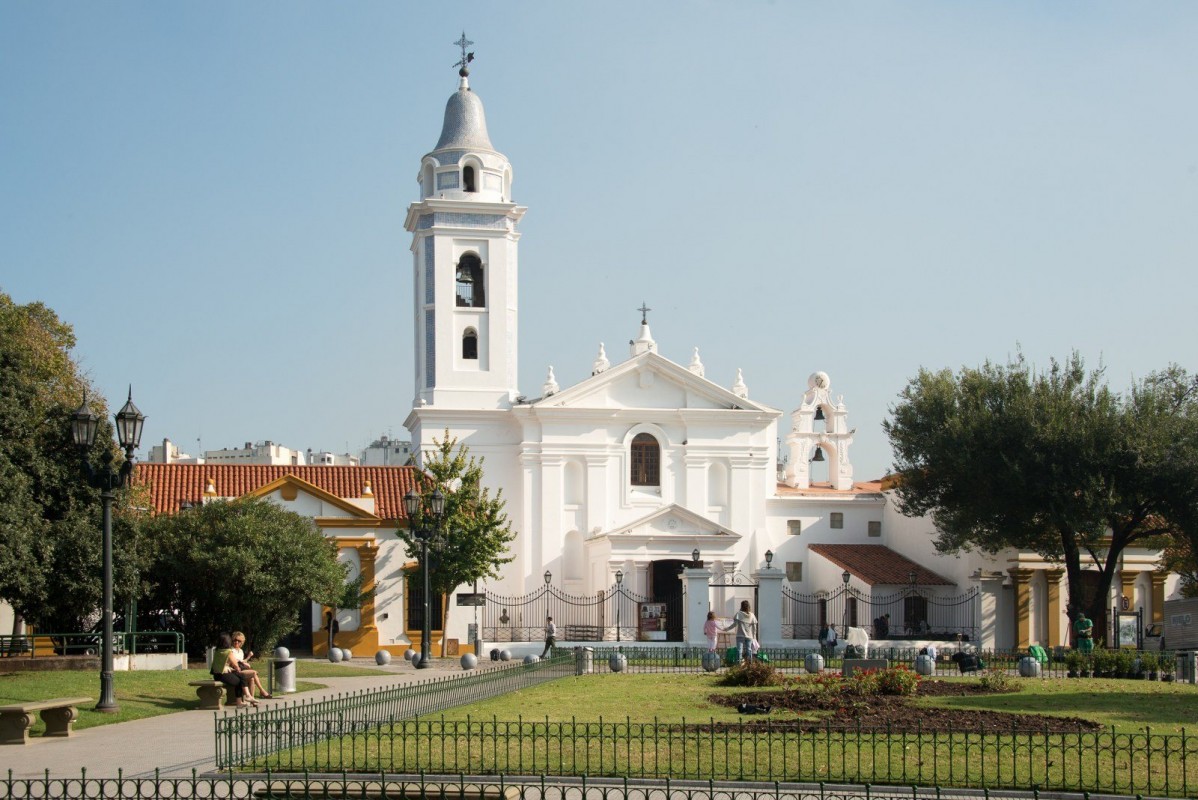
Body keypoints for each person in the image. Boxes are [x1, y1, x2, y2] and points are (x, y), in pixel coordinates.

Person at [210, 632, 256, 708]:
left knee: (240, 677)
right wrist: (237, 669)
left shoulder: (217, 651)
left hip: (216, 675)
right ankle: (244, 699)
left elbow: (220, 664)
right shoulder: (229, 652)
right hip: (223, 675)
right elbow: (236, 665)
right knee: (240, 679)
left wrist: (230, 668)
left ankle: (244, 699)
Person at [232, 631, 271, 699]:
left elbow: (242, 661)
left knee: (252, 679)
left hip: (242, 668)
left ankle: (252, 699)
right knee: (254, 673)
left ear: (242, 642)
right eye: (235, 640)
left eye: (239, 641)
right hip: (235, 670)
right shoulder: (231, 650)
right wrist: (245, 663)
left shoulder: (240, 651)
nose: (236, 642)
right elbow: (235, 662)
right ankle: (262, 691)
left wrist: (248, 657)